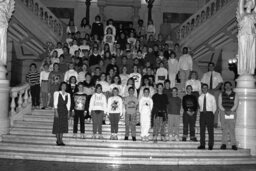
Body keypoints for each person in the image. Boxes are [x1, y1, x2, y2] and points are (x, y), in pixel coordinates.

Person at [201, 62, 223, 128]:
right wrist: (206, 90)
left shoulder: (217, 74)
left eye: (212, 66)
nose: (210, 67)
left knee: (215, 107)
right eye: (209, 66)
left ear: (214, 67)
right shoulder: (205, 74)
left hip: (216, 91)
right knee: (207, 107)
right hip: (207, 91)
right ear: (208, 67)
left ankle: (215, 122)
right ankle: (208, 122)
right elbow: (202, 83)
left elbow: (220, 83)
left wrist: (215, 89)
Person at [237, 0, 256, 75]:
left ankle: (249, 69)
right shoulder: (242, 13)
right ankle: (243, 69)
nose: (249, 2)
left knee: (250, 52)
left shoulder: (253, 14)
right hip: (243, 34)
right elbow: (241, 3)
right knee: (243, 51)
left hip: (251, 35)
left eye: (251, 2)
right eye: (248, 1)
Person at [218, 81, 239, 150]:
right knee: (224, 129)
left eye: (228, 85)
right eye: (226, 85)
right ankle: (224, 144)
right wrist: (225, 110)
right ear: (224, 87)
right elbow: (219, 104)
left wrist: (230, 111)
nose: (227, 87)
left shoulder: (235, 94)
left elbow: (236, 104)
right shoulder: (221, 94)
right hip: (223, 112)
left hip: (232, 113)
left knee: (232, 129)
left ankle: (233, 144)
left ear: (231, 86)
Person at [198, 84, 217, 150]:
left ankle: (210, 145)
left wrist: (211, 114)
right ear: (202, 89)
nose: (204, 89)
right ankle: (202, 145)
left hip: (209, 113)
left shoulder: (212, 97)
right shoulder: (200, 97)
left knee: (210, 130)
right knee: (202, 130)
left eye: (206, 88)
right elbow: (200, 106)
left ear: (207, 88)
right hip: (202, 114)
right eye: (203, 88)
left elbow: (214, 106)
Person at [52, 82, 71, 146]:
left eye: (65, 86)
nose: (64, 87)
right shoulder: (57, 93)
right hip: (58, 110)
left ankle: (61, 140)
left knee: (62, 126)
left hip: (64, 111)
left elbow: (68, 104)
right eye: (63, 85)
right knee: (58, 125)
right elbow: (55, 103)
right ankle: (58, 140)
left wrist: (68, 112)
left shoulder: (68, 94)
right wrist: (56, 111)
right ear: (60, 86)